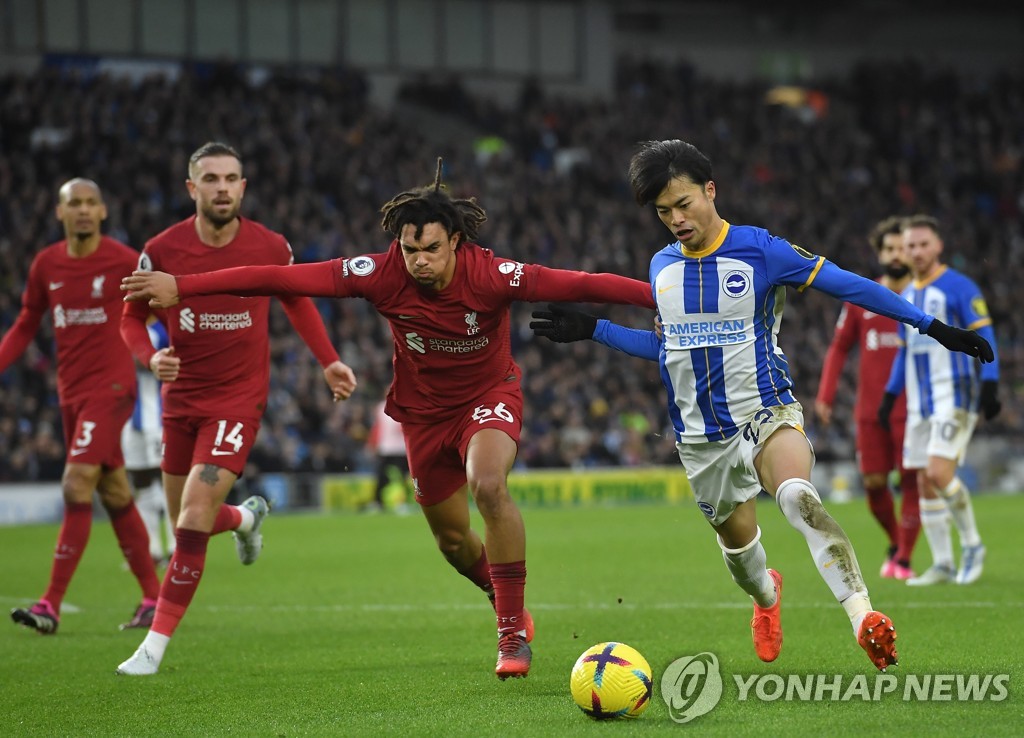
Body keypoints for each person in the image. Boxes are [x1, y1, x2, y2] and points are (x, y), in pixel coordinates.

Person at [121, 159, 657, 680]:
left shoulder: (493, 275)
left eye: (430, 250)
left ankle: (511, 629)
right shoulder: (379, 274)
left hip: (488, 397)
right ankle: (499, 591)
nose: (418, 261)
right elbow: (275, 277)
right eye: (409, 249)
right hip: (421, 417)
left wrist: (659, 296)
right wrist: (184, 288)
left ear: (455, 244)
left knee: (489, 486)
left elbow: (583, 282)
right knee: (453, 543)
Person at [528, 140, 993, 672]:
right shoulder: (661, 267)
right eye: (663, 212)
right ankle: (767, 598)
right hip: (701, 440)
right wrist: (595, 329)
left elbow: (851, 285)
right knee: (744, 561)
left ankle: (864, 617)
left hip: (766, 413)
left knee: (797, 496)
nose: (676, 219)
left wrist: (931, 326)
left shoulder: (762, 251)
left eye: (683, 204)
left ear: (710, 190)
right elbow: (670, 350)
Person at [115, 142, 357, 675]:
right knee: (187, 523)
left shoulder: (270, 246)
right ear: (192, 188)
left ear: (243, 187)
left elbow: (296, 298)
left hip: (238, 399)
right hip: (180, 401)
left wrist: (328, 360)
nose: (222, 188)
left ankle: (152, 649)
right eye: (211, 179)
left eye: (231, 179)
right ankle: (246, 519)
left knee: (194, 516)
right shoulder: (163, 248)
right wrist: (150, 356)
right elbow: (130, 316)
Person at [1, 178, 161, 634]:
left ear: (103, 210)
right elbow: (26, 324)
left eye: (92, 203)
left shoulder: (123, 261)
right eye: (75, 204)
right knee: (114, 493)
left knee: (75, 485)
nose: (84, 211)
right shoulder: (45, 264)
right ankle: (154, 598)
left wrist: (174, 351)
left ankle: (49, 604)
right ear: (60, 213)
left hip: (111, 390)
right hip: (70, 395)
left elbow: (162, 307)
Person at [878, 214, 1001, 587]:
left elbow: (985, 334)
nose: (915, 252)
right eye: (909, 246)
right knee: (924, 481)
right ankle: (944, 563)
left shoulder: (959, 286)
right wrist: (889, 396)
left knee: (938, 472)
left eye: (922, 244)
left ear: (938, 246)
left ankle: (973, 545)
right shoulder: (906, 297)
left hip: (955, 392)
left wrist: (990, 385)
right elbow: (903, 352)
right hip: (919, 401)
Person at [815, 216, 920, 580]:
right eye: (888, 248)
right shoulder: (862, 298)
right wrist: (826, 394)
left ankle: (904, 558)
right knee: (874, 483)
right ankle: (897, 542)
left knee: (911, 480)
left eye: (902, 248)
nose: (895, 254)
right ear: (879, 253)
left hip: (913, 409)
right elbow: (839, 347)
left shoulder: (924, 301)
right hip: (870, 409)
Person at [121, 315, 174, 567]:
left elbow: (155, 362)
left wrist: (129, 358)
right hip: (130, 421)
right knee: (140, 483)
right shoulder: (123, 326)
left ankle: (175, 547)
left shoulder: (157, 330)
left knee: (165, 482)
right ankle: (152, 549)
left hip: (156, 419)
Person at [365, 399, 411, 513]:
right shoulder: (382, 407)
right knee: (383, 477)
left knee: (402, 478)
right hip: (387, 448)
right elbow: (378, 427)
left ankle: (400, 502)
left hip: (400, 448)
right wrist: (372, 443)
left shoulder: (405, 404)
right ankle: (377, 502)